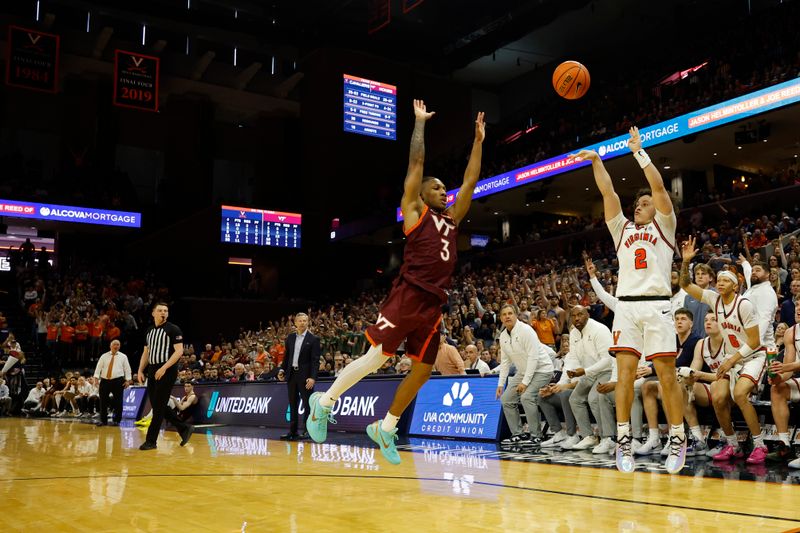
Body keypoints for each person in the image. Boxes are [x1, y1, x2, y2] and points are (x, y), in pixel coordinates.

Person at [306, 100, 485, 465]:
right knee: (377, 357)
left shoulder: (452, 220)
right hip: (408, 295)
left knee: (421, 371)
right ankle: (322, 404)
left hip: (434, 304)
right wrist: (419, 123)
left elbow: (470, 181)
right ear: (421, 196)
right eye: (437, 188)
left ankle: (385, 427)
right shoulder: (416, 214)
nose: (444, 191)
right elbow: (416, 165)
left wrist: (479, 141)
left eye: (443, 189)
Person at [575, 126, 686, 474]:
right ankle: (624, 440)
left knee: (666, 376)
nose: (637, 206)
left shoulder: (665, 227)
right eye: (635, 204)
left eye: (643, 203)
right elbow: (607, 190)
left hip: (656, 305)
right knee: (624, 376)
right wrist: (596, 160)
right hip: (625, 306)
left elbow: (658, 188)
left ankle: (679, 439)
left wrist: (640, 152)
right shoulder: (621, 229)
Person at [680, 236, 768, 464]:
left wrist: (731, 361)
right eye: (718, 280)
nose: (719, 283)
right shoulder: (714, 299)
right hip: (733, 358)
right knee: (718, 398)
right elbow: (684, 285)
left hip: (753, 356)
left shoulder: (744, 304)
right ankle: (733, 445)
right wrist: (685, 262)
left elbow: (755, 340)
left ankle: (760, 446)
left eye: (725, 281)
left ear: (735, 285)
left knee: (739, 394)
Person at [496, 304, 556, 447]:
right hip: (524, 371)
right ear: (501, 318)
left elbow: (533, 357)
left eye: (510, 313)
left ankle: (536, 435)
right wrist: (500, 384)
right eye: (504, 314)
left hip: (542, 369)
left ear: (516, 315)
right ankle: (518, 434)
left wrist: (525, 382)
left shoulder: (526, 330)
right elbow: (505, 362)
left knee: (527, 397)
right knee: (506, 399)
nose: (507, 316)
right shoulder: (503, 336)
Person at [136, 302, 193, 450]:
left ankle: (151, 441)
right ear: (153, 313)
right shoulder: (149, 331)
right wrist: (140, 370)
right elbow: (146, 353)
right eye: (160, 310)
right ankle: (184, 428)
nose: (163, 313)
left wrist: (164, 367)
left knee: (159, 407)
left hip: (167, 369)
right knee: (157, 405)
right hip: (153, 369)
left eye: (166, 311)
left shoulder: (173, 329)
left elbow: (179, 351)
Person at [560, 306, 615, 454]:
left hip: (606, 371)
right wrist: (565, 378)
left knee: (593, 398)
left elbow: (608, 360)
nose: (577, 318)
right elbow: (572, 358)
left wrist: (584, 371)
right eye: (573, 316)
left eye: (580, 315)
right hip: (589, 373)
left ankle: (608, 438)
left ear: (587, 315)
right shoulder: (573, 333)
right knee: (575, 399)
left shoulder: (600, 330)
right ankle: (589, 436)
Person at [279, 313, 321, 441]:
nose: (303, 323)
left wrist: (313, 377)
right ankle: (293, 431)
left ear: (308, 322)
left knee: (308, 404)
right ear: (295, 323)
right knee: (293, 404)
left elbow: (315, 360)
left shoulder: (313, 339)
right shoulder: (290, 338)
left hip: (306, 377)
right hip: (292, 375)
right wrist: (282, 370)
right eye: (300, 321)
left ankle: (307, 431)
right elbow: (287, 357)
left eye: (305, 321)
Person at [767, 306, 800, 464]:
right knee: (777, 389)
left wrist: (785, 367)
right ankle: (784, 445)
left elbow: (788, 366)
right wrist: (778, 378)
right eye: (798, 306)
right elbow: (788, 369)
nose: (799, 309)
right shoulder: (791, 332)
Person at [93, 340, 132, 426]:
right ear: (110, 346)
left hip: (118, 381)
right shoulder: (104, 356)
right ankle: (103, 420)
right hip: (104, 381)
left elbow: (127, 369)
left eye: (118, 345)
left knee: (118, 402)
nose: (116, 346)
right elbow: (98, 367)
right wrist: (96, 378)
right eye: (114, 344)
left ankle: (117, 420)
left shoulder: (123, 356)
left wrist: (128, 380)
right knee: (102, 401)